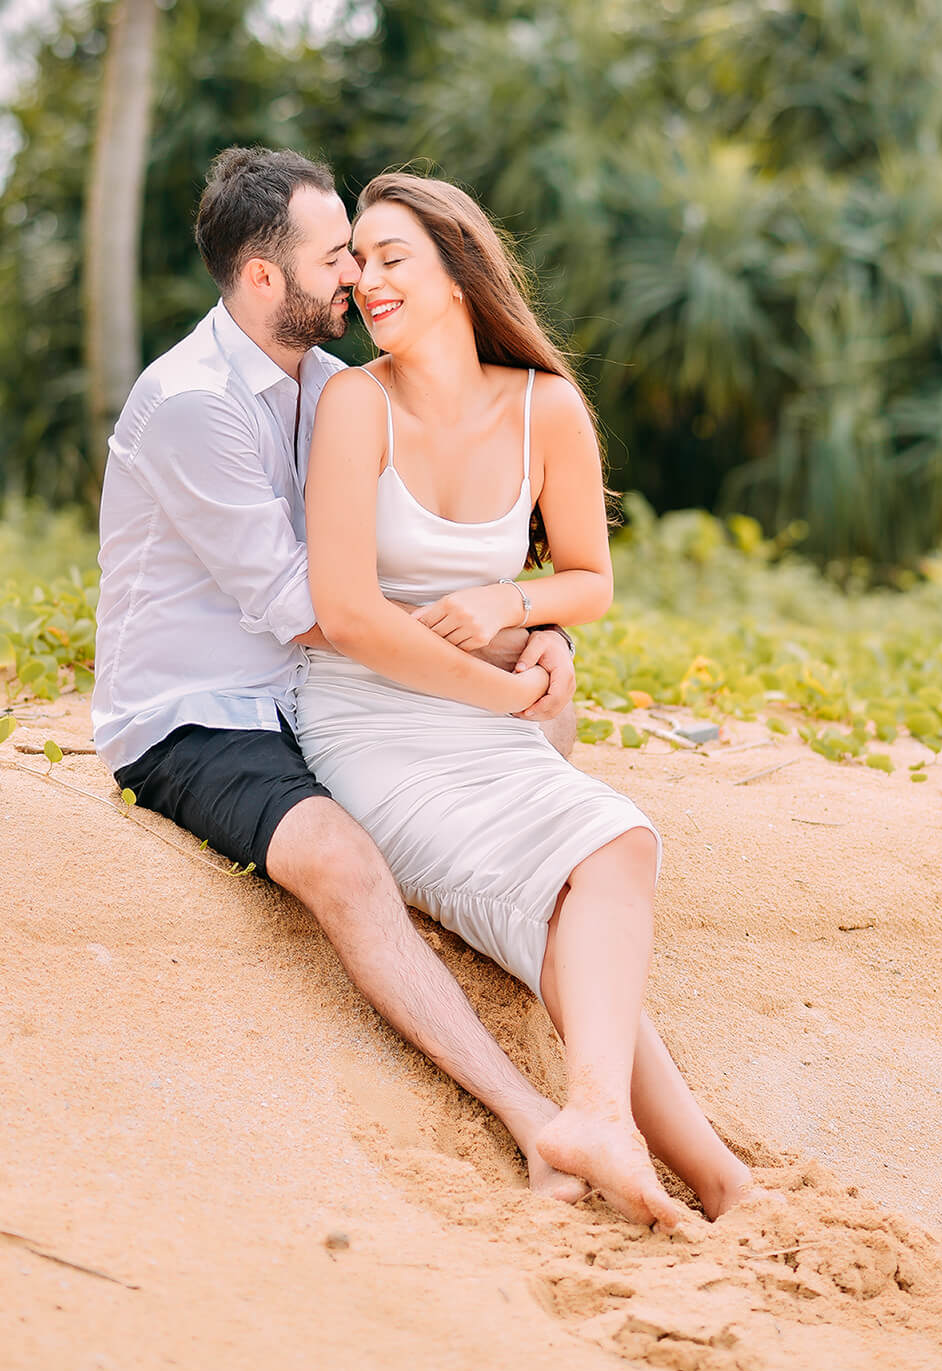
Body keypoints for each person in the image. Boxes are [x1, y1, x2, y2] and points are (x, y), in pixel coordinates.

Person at [92, 146, 587, 1201]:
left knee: (552, 703)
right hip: (196, 716)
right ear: (264, 278)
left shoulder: (327, 382)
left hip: (315, 696)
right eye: (337, 258)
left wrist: (532, 624)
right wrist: (502, 657)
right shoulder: (191, 401)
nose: (358, 278)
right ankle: (533, 1119)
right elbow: (319, 609)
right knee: (340, 858)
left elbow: (392, 572)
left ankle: (544, 946)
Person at [298, 173, 755, 1230]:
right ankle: (694, 1162)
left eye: (390, 256)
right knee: (571, 873)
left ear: (458, 272)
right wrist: (503, 682)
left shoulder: (545, 405)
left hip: (481, 710)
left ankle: (628, 1129)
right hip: (367, 721)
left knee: (613, 846)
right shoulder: (353, 403)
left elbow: (589, 578)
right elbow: (348, 611)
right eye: (357, 262)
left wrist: (512, 601)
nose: (365, 280)